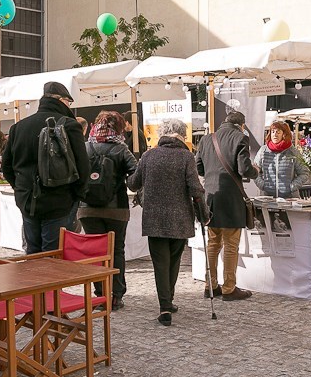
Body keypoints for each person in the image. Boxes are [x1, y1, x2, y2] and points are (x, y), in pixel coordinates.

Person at [128, 118, 204, 326]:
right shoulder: (186, 157)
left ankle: (165, 306)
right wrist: (203, 213)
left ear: (162, 133)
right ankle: (168, 301)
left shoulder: (148, 156)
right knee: (174, 261)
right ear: (182, 135)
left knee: (160, 264)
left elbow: (133, 184)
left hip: (154, 219)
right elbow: (196, 190)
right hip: (180, 219)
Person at [1, 81, 88, 253]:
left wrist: (20, 188)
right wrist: (76, 195)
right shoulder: (70, 125)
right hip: (59, 199)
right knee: (53, 255)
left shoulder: (19, 127)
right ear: (62, 100)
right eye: (69, 102)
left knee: (32, 252)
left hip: (28, 200)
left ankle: (34, 280)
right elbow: (83, 166)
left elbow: (6, 166)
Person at [195, 111, 259, 302]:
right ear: (241, 125)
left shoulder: (206, 139)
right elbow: (244, 169)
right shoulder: (240, 137)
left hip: (211, 197)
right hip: (231, 198)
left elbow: (199, 167)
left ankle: (211, 285)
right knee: (231, 245)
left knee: (213, 244)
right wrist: (256, 170)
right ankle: (229, 288)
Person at [78, 111, 138, 311]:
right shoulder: (121, 150)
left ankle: (100, 294)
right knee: (116, 250)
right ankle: (116, 295)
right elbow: (135, 177)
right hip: (116, 209)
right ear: (119, 128)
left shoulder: (84, 147)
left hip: (87, 209)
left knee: (95, 252)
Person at [253, 121, 309, 198]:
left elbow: (304, 173)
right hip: (268, 199)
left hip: (289, 200)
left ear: (284, 134)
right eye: (273, 132)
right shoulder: (263, 151)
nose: (275, 135)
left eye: (278, 132)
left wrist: (291, 187)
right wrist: (263, 186)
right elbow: (254, 172)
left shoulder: (293, 152)